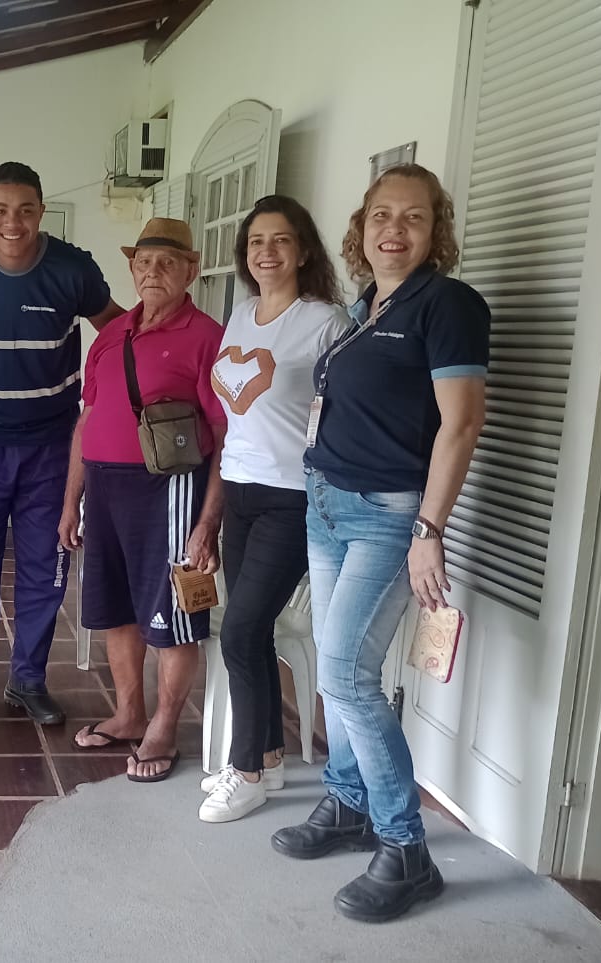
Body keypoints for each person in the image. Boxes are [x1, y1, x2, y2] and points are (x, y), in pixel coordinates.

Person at [271, 164, 488, 923]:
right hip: (327, 505)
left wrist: (428, 530)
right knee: (337, 676)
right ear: (361, 228)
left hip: (388, 515)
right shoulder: (366, 306)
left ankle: (408, 848)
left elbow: (459, 424)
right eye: (381, 215)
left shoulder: (448, 305)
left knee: (348, 675)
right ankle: (347, 802)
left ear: (437, 233)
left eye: (415, 218)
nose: (394, 229)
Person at [0, 161, 121, 730]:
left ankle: (28, 679)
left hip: (51, 446)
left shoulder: (72, 269)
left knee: (47, 565)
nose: (12, 222)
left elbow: (116, 330)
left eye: (25, 210)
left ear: (41, 211)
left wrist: (110, 402)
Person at [198, 195, 350, 823]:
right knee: (249, 627)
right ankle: (268, 755)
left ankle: (245, 772)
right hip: (240, 487)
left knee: (238, 629)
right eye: (257, 242)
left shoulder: (326, 322)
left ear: (303, 250)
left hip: (293, 496)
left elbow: (345, 415)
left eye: (281, 240)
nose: (267, 252)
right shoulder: (240, 315)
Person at [59, 218, 227, 782]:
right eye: (143, 263)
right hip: (105, 488)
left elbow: (225, 436)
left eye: (167, 262)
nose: (152, 272)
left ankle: (163, 726)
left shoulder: (208, 336)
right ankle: (130, 714)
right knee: (115, 609)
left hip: (170, 489)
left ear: (191, 269)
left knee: (175, 614)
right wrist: (70, 503)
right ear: (131, 269)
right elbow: (88, 420)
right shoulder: (111, 336)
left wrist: (208, 522)